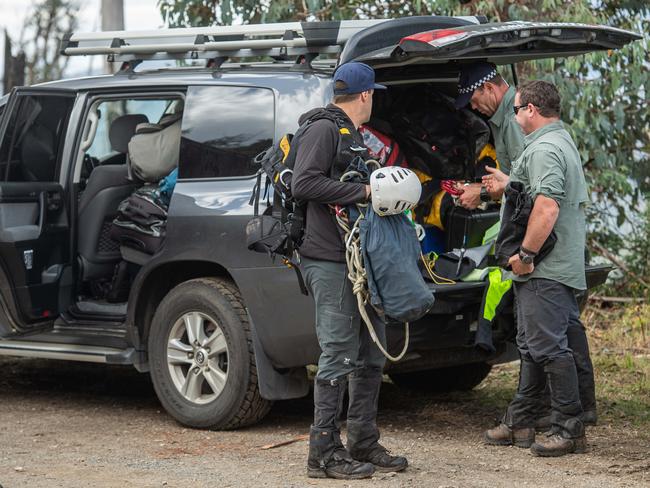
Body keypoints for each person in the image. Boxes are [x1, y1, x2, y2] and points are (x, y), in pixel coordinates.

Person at [458, 64, 597, 430]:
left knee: (546, 343)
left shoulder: (539, 143)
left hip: (543, 259)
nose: (473, 107)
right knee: (545, 336)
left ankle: (566, 422)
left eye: (473, 97)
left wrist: (525, 255)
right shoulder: (552, 137)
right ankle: (534, 414)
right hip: (553, 257)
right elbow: (525, 186)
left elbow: (541, 202)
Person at [292, 62, 408, 479]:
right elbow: (302, 184)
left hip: (358, 258)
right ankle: (321, 453)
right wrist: (364, 190)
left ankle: (362, 440)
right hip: (327, 258)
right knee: (339, 351)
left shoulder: (352, 134)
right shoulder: (324, 129)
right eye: (373, 93)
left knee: (369, 351)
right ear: (365, 95)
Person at [454, 62, 524, 210]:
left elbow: (528, 184)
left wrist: (482, 194)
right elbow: (511, 178)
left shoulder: (513, 121)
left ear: (489, 88)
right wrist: (476, 187)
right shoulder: (506, 115)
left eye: (473, 100)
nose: (473, 107)